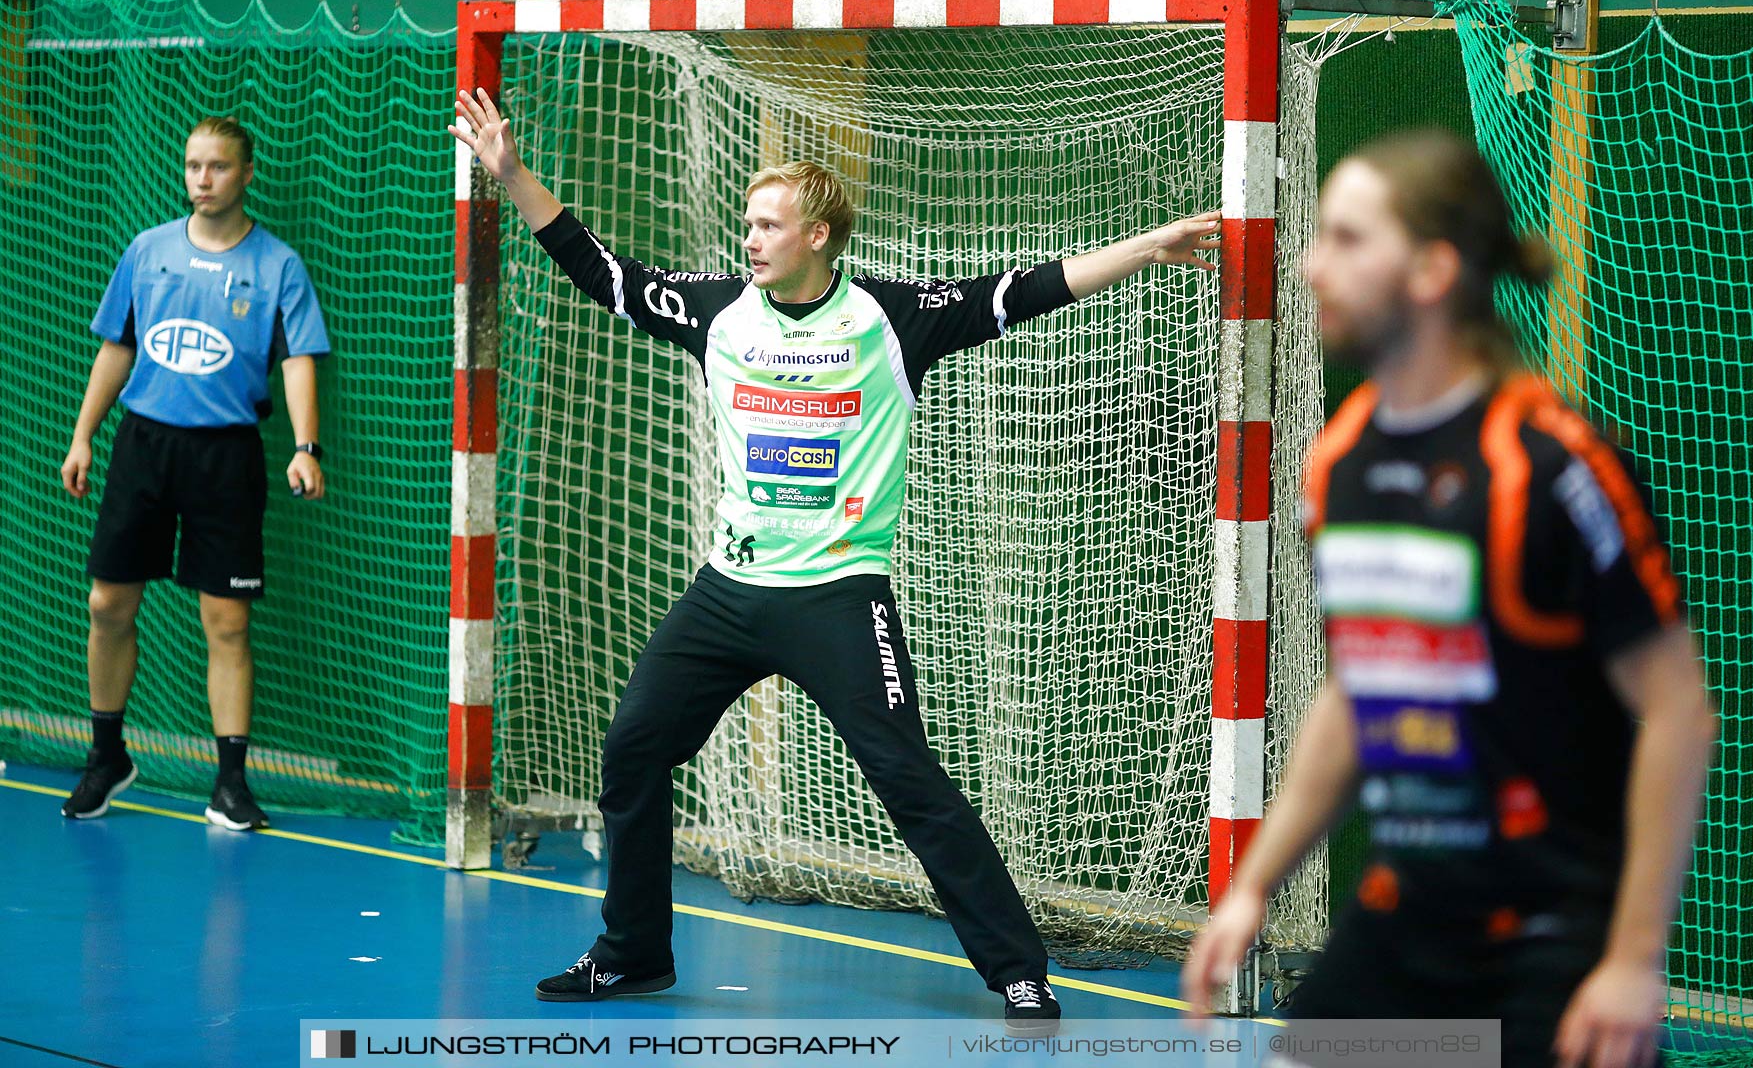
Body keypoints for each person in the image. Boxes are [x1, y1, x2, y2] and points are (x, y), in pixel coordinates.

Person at [450, 87, 1221, 1027]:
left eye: (769, 225)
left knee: (908, 780)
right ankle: (632, 955)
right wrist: (513, 173)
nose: (750, 240)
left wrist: (1145, 248)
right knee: (634, 754)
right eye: (746, 224)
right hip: (728, 593)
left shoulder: (892, 320)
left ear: (819, 235)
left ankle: (1019, 969)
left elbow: (1027, 287)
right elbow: (601, 270)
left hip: (839, 598)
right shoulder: (716, 313)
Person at [1182, 130, 1716, 1068]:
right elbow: (1358, 692)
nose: (1311, 266)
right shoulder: (1340, 459)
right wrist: (1254, 886)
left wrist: (1634, 958)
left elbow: (1678, 712)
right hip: (1406, 918)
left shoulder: (1548, 467)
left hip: (1552, 939)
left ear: (1432, 270)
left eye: (1348, 240)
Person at [59, 116, 331, 832]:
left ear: (246, 174)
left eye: (216, 167)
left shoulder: (278, 266)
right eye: (192, 166)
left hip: (226, 456)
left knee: (226, 621)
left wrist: (308, 446)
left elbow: (299, 358)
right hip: (144, 446)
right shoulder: (148, 252)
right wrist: (83, 437)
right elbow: (118, 347)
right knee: (107, 605)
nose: (201, 180)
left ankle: (231, 785)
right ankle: (106, 755)